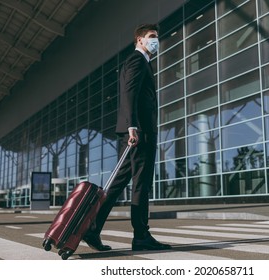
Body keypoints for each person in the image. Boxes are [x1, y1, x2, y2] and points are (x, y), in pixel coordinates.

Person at [83, 23, 171, 251]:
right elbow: (129, 92)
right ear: (140, 40)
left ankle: (92, 229)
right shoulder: (137, 59)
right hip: (139, 133)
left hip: (134, 132)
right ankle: (141, 236)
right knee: (141, 184)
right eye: (151, 36)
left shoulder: (142, 62)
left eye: (157, 37)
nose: (155, 41)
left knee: (117, 183)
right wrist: (133, 126)